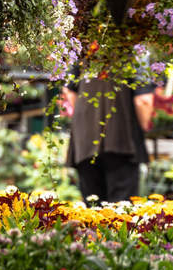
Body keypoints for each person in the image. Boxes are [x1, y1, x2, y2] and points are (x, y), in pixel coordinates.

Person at [62, 62, 155, 204]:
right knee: (122, 212)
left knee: (93, 211)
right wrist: (145, 127)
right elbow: (143, 100)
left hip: (84, 142)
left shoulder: (83, 47)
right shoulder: (134, 50)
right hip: (122, 140)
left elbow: (69, 90)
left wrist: (88, 116)